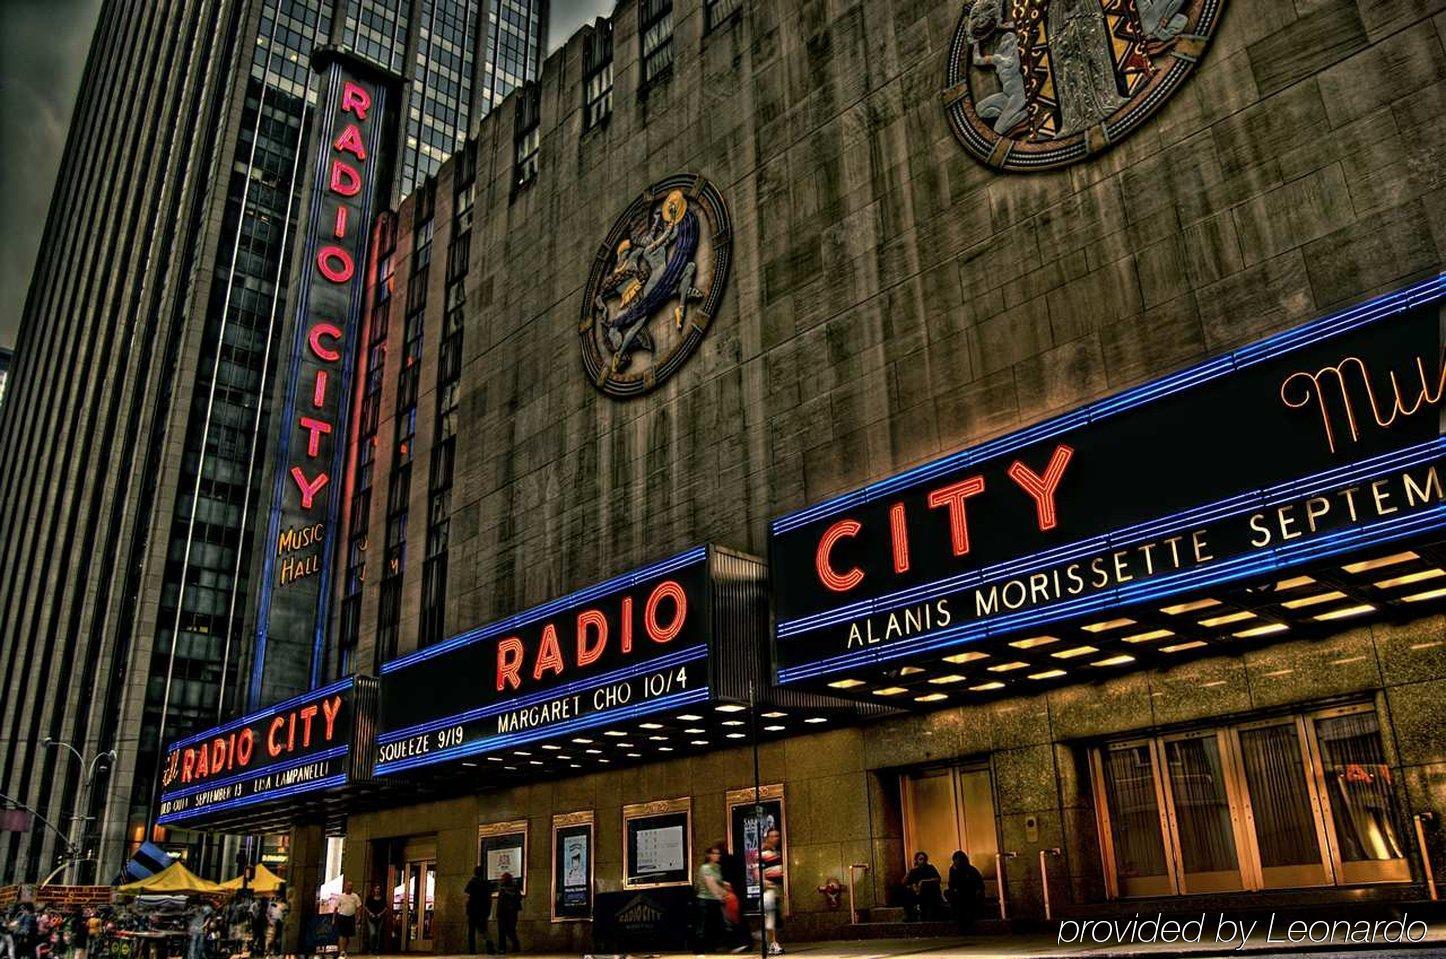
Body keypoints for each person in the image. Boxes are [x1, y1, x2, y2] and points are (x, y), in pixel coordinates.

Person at [693, 846, 729, 954]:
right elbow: (711, 884)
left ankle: (711, 949)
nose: (717, 855)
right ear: (709, 855)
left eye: (718, 853)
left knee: (714, 926)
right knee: (702, 926)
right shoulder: (705, 868)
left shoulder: (717, 867)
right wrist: (721, 895)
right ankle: (699, 950)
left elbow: (718, 882)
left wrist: (725, 885)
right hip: (704, 900)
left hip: (714, 900)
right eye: (715, 853)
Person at [760, 828, 785, 955]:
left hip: (775, 889)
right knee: (770, 918)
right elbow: (756, 871)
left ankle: (768, 940)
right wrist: (764, 882)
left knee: (773, 918)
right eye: (773, 836)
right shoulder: (762, 853)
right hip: (768, 890)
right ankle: (772, 944)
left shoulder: (775, 852)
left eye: (777, 836)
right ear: (767, 838)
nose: (776, 838)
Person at [947, 852, 985, 931]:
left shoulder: (971, 870)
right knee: (951, 895)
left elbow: (979, 884)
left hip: (970, 892)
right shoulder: (953, 870)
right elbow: (951, 884)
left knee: (962, 902)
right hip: (959, 893)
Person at [900, 852, 943, 921]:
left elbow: (938, 879)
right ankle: (910, 916)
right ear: (916, 860)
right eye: (920, 859)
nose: (922, 861)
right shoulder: (914, 870)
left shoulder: (930, 868)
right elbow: (903, 882)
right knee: (906, 892)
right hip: (916, 892)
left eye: (924, 859)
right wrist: (910, 871)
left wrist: (923, 882)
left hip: (928, 892)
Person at [463, 868, 493, 955]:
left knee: (471, 932)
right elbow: (488, 898)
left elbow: (467, 895)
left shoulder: (472, 883)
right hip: (483, 910)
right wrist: (487, 910)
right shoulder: (486, 883)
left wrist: (468, 908)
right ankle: (489, 946)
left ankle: (472, 950)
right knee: (484, 930)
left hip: (473, 910)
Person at [334, 880, 363, 958]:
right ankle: (341, 951)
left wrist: (358, 917)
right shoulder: (341, 896)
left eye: (351, 886)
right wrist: (334, 918)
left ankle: (344, 950)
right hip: (342, 916)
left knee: (347, 936)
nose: (350, 887)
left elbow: (359, 907)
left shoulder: (355, 896)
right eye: (348, 886)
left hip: (350, 917)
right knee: (341, 934)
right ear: (345, 887)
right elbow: (336, 908)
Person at [493, 874, 520, 955]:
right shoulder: (514, 888)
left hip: (504, 913)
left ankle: (503, 948)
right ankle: (514, 945)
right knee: (510, 930)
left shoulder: (504, 889)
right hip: (510, 913)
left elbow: (501, 902)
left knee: (503, 931)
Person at [363, 884, 387, 956]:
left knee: (378, 934)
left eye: (378, 889)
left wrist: (380, 914)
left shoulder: (382, 898)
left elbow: (385, 907)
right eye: (376, 889)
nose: (377, 890)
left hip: (380, 917)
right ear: (373, 889)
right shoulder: (369, 898)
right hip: (371, 918)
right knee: (372, 933)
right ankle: (371, 949)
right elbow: (366, 906)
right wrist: (370, 913)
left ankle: (376, 949)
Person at [266, 889, 288, 956]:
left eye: (279, 897)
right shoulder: (272, 904)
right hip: (273, 922)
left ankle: (276, 951)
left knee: (278, 938)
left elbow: (286, 913)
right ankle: (269, 951)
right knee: (271, 938)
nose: (278, 898)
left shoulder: (284, 905)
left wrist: (284, 920)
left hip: (280, 923)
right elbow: (267, 914)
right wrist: (269, 921)